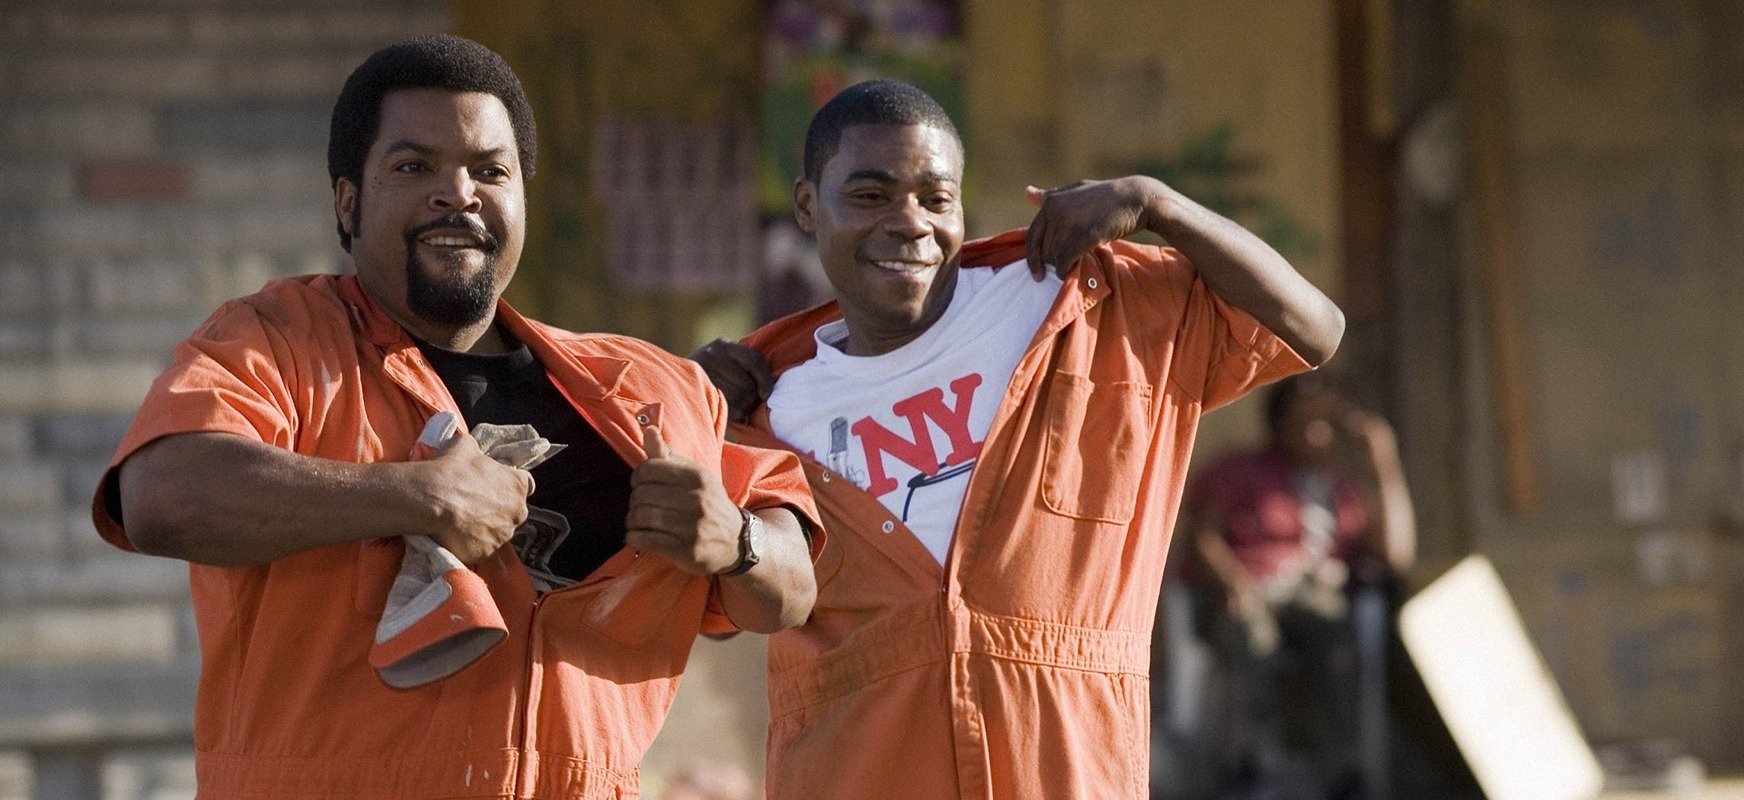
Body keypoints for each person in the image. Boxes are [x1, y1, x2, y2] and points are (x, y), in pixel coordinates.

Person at [91, 35, 819, 799]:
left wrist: (734, 540)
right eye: (415, 168)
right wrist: (417, 498)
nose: (458, 193)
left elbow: (792, 581)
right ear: (349, 203)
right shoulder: (277, 342)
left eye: (489, 170)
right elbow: (162, 496)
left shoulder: (652, 388)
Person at [692, 79, 1345, 798]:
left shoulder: (1080, 306)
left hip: (1067, 767)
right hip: (858, 771)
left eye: (936, 198)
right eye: (871, 196)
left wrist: (1157, 202)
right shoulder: (770, 405)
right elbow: (720, 614)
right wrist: (695, 419)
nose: (909, 222)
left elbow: (1312, 328)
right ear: (808, 206)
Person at [1176, 374, 1415, 797]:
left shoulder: (1341, 487)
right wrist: (1234, 584)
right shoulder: (1238, 469)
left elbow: (1396, 555)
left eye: (1324, 423)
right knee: (1253, 640)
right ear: (1277, 423)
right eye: (1303, 421)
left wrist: (1382, 459)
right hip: (1250, 592)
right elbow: (1201, 537)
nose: (1315, 432)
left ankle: (1344, 773)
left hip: (1314, 601)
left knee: (1342, 642)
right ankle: (1248, 766)